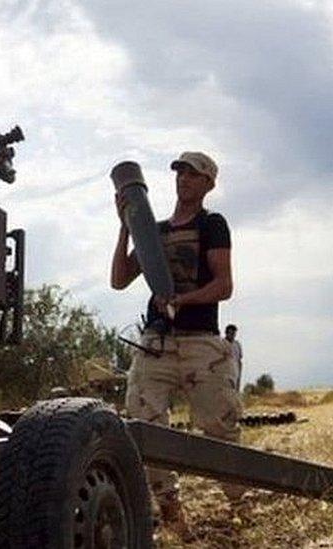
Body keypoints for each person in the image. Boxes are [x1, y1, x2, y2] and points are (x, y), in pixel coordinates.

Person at [110, 151, 242, 536]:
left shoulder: (212, 224)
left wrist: (182, 300)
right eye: (180, 172)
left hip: (201, 341)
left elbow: (224, 285)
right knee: (143, 424)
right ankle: (171, 513)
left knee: (221, 426)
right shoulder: (157, 230)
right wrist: (125, 228)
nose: (183, 178)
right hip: (157, 342)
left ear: (208, 184)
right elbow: (119, 280)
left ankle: (238, 505)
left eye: (193, 173)